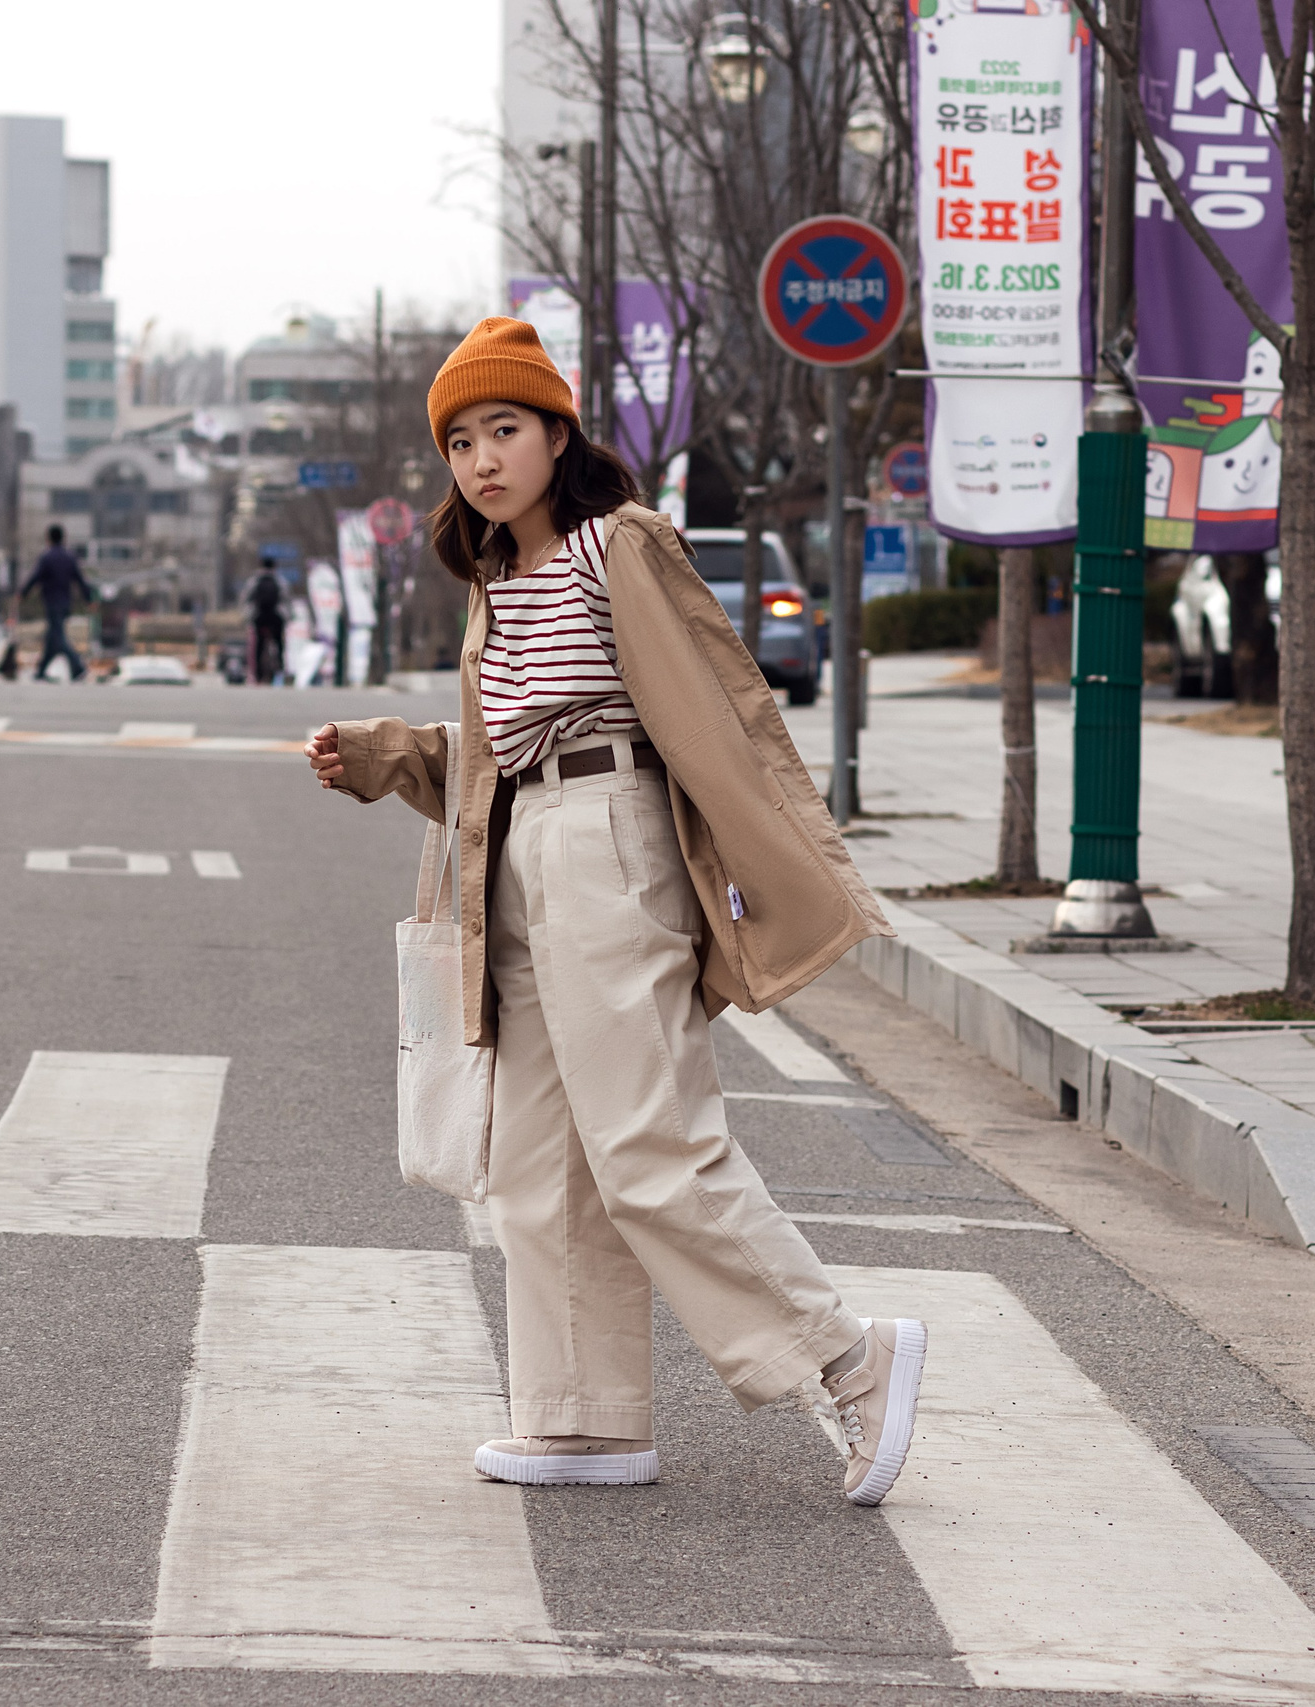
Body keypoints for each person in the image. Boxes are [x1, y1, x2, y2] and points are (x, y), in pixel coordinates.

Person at [303, 318, 926, 1506]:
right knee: (537, 1165)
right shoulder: (499, 579)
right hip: (523, 854)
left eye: (505, 430)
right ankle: (583, 1421)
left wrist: (766, 871)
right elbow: (500, 757)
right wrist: (389, 755)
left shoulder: (613, 545)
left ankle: (851, 1360)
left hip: (609, 840)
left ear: (556, 434)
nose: (483, 459)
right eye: (461, 442)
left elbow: (715, 706)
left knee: (649, 1146)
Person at [20, 526, 97, 683]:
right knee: (52, 637)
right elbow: (80, 580)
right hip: (66, 602)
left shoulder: (46, 557)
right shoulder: (70, 557)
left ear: (49, 538)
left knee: (58, 637)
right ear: (63, 538)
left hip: (51, 601)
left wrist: (23, 593)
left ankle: (78, 667)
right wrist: (89, 599)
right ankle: (41, 671)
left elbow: (35, 577)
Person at [246, 565, 287, 685]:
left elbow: (247, 597)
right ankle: (280, 670)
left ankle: (258, 674)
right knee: (279, 643)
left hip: (260, 616)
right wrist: (288, 616)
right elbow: (286, 597)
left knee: (259, 644)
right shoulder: (279, 580)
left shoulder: (255, 580)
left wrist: (248, 614)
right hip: (275, 616)